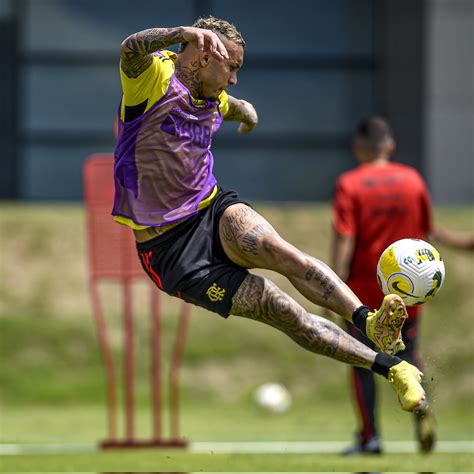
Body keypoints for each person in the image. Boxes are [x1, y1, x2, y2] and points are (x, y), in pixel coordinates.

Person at [112, 16, 427, 420]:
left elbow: (234, 107)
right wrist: (179, 34)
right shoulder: (153, 75)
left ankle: (368, 321)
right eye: (233, 68)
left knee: (275, 249)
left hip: (209, 210)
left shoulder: (213, 98)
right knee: (283, 311)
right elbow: (129, 49)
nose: (234, 79)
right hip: (170, 252)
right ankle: (395, 369)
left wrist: (247, 114)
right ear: (206, 56)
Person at [330, 116, 474, 455]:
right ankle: (421, 411)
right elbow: (429, 233)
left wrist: (331, 288)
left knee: (362, 360)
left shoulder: (350, 184)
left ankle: (370, 437)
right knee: (409, 355)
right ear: (390, 146)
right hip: (409, 296)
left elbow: (345, 238)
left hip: (362, 295)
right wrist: (465, 243)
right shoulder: (412, 180)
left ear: (358, 148)